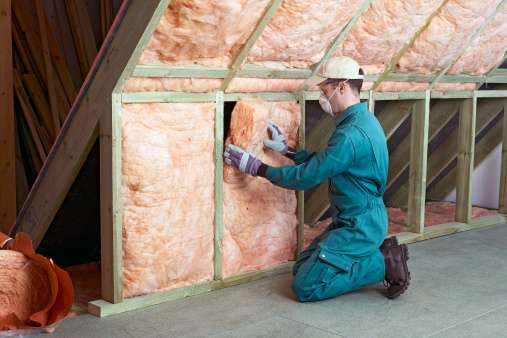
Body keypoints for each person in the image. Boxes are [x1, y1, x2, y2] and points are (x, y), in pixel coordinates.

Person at [224, 56, 410, 301]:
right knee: (301, 268)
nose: (322, 96)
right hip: (353, 219)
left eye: (325, 89)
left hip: (360, 225)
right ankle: (369, 255)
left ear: (341, 87)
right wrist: (286, 150)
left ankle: (383, 262)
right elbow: (328, 162)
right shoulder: (359, 121)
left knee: (305, 288)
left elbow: (306, 177)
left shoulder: (351, 134)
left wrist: (256, 167)